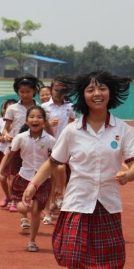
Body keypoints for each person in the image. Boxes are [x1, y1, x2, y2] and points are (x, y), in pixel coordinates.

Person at [23, 71, 134, 269]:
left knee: (101, 266)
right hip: (78, 200)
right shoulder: (72, 130)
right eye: (90, 90)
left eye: (101, 89)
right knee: (73, 260)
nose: (96, 94)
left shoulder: (121, 129)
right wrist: (33, 185)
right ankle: (79, 261)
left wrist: (128, 175)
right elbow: (53, 162)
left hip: (107, 203)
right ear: (83, 96)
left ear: (110, 93)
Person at [0, 106, 56, 251]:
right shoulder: (20, 138)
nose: (35, 120)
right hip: (23, 178)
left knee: (36, 210)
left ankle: (32, 241)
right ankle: (22, 213)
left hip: (42, 180)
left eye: (39, 117)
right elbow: (9, 155)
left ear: (44, 121)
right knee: (25, 207)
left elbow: (56, 162)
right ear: (27, 120)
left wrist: (58, 184)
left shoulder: (51, 140)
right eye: (32, 117)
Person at [2, 74, 47, 225]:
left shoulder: (40, 108)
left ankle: (34, 208)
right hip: (18, 147)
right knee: (15, 178)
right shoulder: (12, 109)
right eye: (22, 92)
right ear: (17, 92)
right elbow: (5, 129)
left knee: (35, 179)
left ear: (34, 91)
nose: (25, 94)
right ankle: (23, 215)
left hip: (36, 148)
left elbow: (46, 128)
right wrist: (7, 135)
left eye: (28, 91)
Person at [41, 77, 76, 224]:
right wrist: (48, 125)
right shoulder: (45, 107)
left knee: (62, 174)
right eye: (56, 89)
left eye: (62, 90)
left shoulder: (70, 106)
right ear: (51, 90)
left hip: (65, 145)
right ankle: (48, 211)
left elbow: (73, 123)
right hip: (49, 144)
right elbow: (36, 124)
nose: (59, 93)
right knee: (51, 177)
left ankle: (59, 197)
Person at [0, 99, 17, 207]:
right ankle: (7, 196)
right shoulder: (0, 122)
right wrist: (6, 137)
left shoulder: (20, 121)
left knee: (12, 177)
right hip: (2, 151)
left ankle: (14, 200)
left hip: (13, 151)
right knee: (3, 178)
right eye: (6, 108)